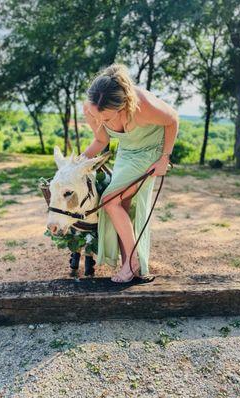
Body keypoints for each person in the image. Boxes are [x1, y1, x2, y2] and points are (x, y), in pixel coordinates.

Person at [80, 63, 179, 283]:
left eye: (106, 119)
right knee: (122, 204)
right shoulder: (91, 108)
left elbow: (172, 120)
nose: (99, 122)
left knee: (110, 200)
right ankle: (131, 266)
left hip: (150, 151)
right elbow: (101, 140)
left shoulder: (142, 105)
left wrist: (164, 158)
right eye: (97, 117)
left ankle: (132, 263)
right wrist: (75, 166)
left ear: (122, 106)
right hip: (126, 151)